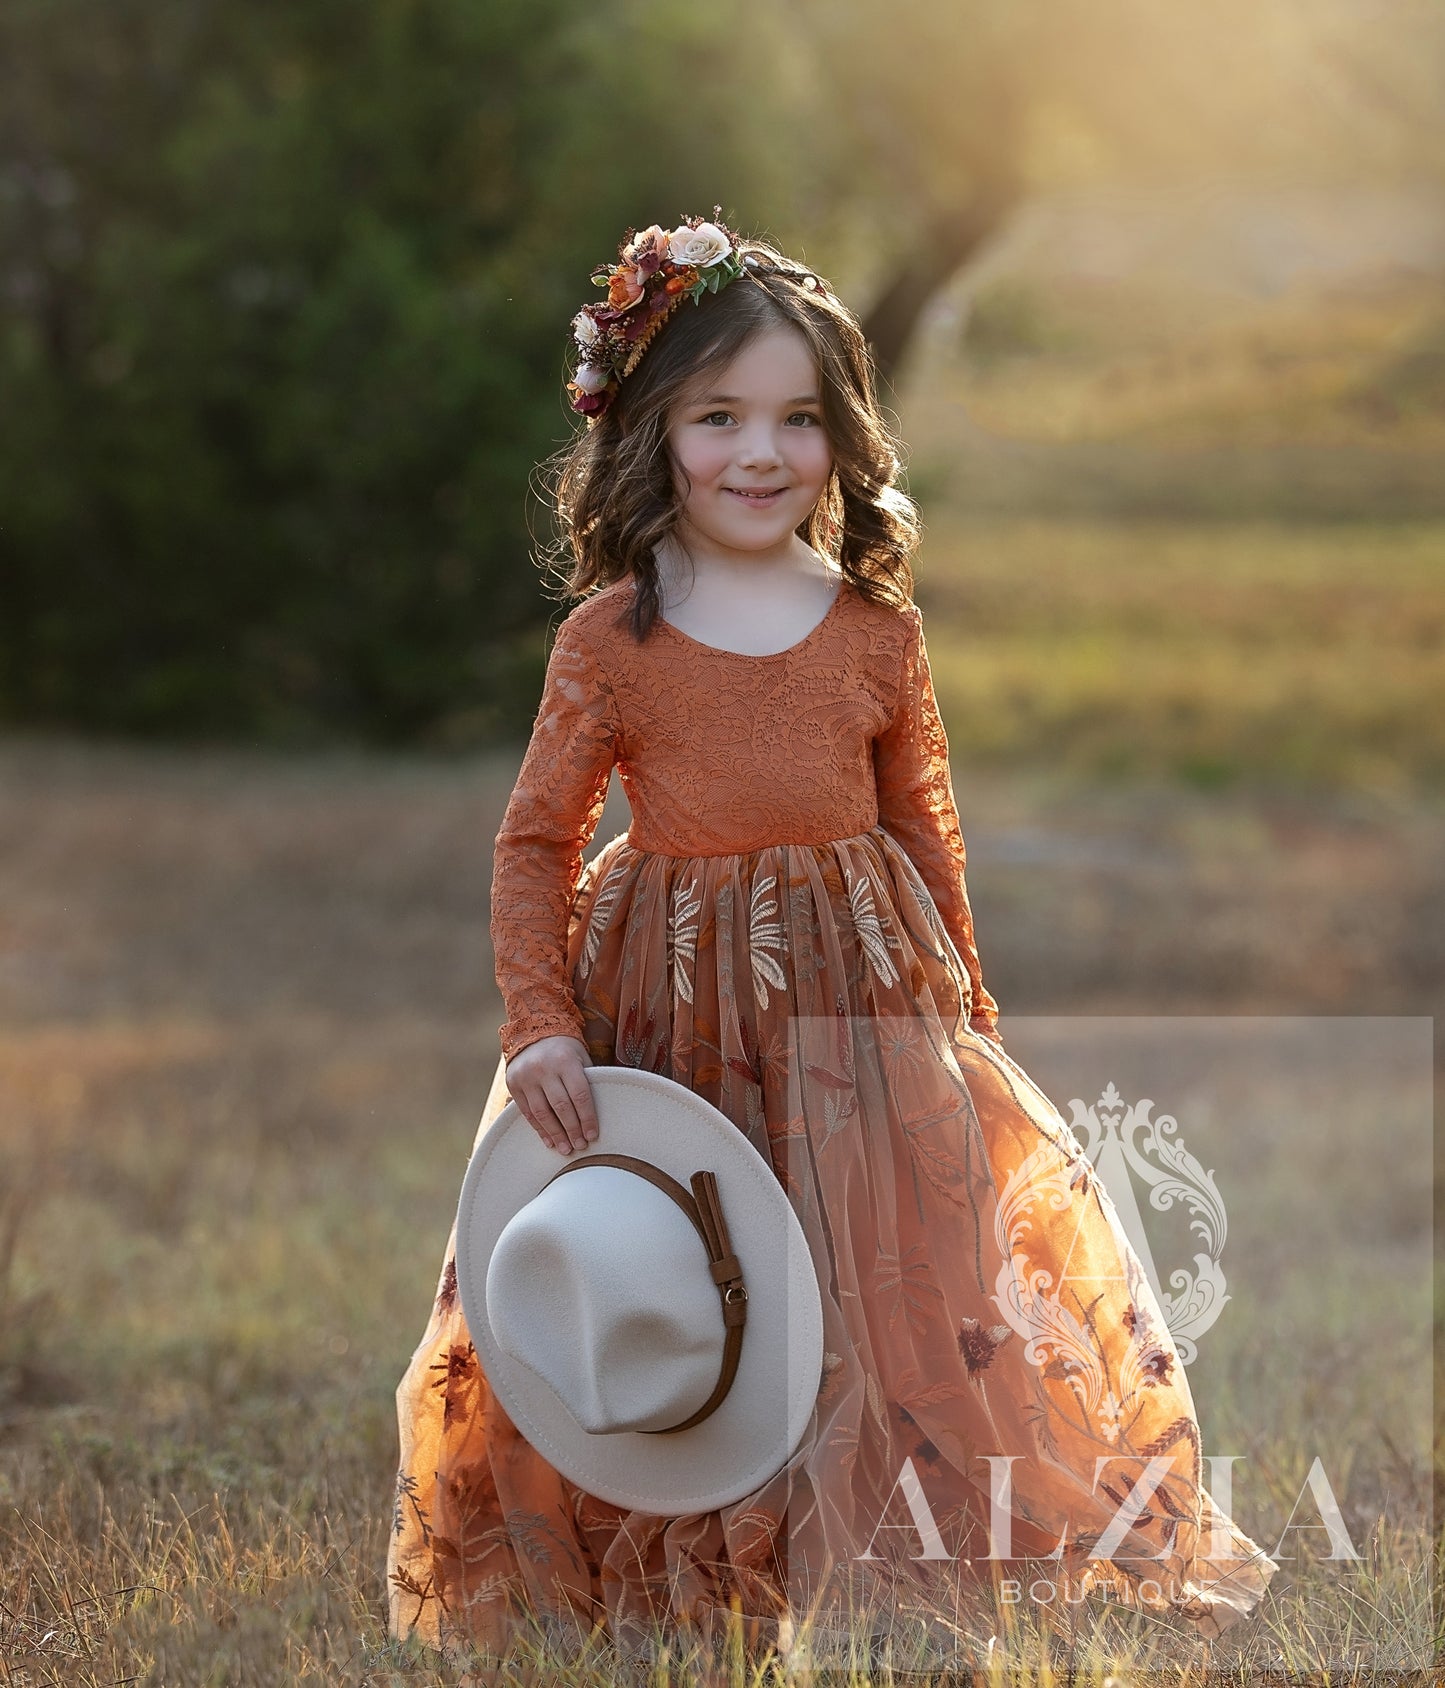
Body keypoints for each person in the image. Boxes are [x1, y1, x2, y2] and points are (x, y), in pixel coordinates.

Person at [386, 210, 1278, 1664]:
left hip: (864, 997)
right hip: (672, 1003)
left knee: (880, 1286)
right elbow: (534, 841)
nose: (760, 452)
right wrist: (540, 1021)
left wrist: (965, 1013)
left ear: (843, 439)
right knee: (698, 1270)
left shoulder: (873, 628)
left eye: (798, 420)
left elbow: (922, 821)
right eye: (718, 416)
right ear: (648, 431)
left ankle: (878, 1550)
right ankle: (682, 1552)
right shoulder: (613, 638)